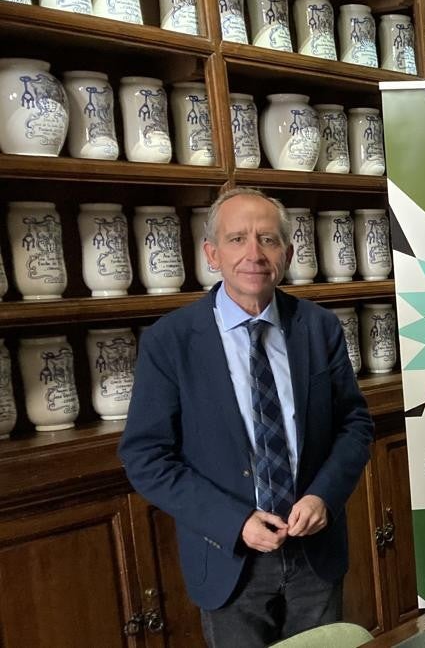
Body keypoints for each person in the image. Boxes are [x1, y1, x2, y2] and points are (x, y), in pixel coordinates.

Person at [119, 187, 374, 647]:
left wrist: (324, 497)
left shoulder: (319, 328)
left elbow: (354, 426)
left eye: (268, 240)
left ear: (288, 253)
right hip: (228, 558)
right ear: (211, 254)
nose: (253, 254)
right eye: (237, 239)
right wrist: (233, 522)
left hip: (313, 550)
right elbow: (146, 457)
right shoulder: (170, 341)